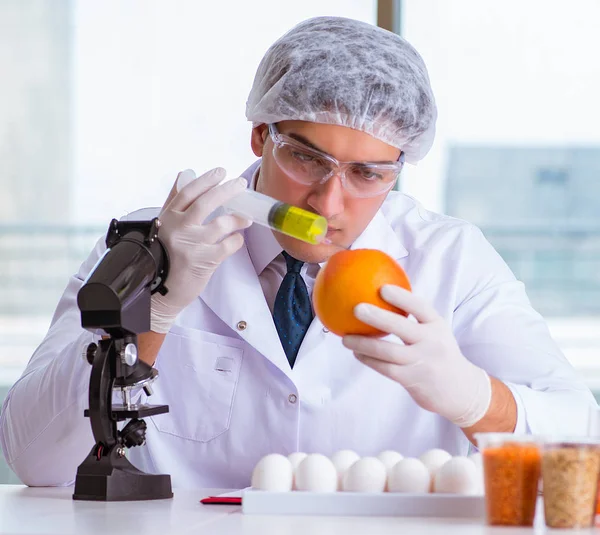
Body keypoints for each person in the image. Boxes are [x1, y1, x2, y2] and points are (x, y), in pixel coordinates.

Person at [0, 16, 595, 489]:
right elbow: (33, 458)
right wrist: (150, 313)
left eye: (368, 173)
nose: (329, 202)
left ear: (401, 167)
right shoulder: (149, 241)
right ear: (261, 135)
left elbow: (582, 436)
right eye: (308, 158)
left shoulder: (452, 261)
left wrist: (472, 396)